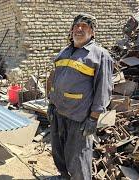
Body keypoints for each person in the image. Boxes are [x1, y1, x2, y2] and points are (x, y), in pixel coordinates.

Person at [47, 13, 113, 180]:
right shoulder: (64, 52)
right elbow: (54, 78)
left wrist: (93, 118)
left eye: (85, 26)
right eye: (76, 25)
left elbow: (103, 89)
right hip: (58, 112)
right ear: (71, 30)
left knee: (78, 158)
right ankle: (63, 176)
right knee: (58, 151)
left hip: (79, 117)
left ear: (93, 32)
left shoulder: (100, 55)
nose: (79, 29)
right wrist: (51, 104)